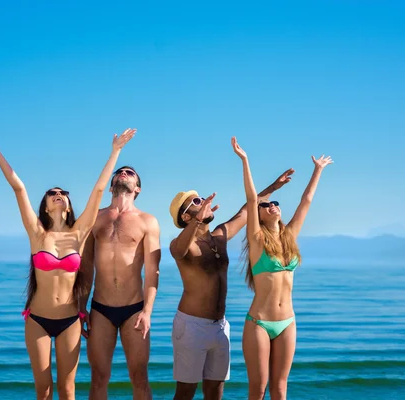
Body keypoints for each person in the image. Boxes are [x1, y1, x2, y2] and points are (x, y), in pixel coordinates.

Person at [0, 127, 135, 400]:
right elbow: (18, 186)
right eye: (52, 192)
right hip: (37, 320)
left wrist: (116, 151)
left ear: (69, 205)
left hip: (70, 320)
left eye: (63, 192)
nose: (58, 193)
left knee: (67, 389)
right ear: (46, 206)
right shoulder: (37, 233)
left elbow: (97, 190)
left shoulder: (80, 232)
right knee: (43, 390)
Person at [168, 167, 294, 400]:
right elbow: (178, 251)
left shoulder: (219, 236)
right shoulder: (182, 243)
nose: (203, 201)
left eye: (201, 198)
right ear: (186, 216)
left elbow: (246, 211)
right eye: (196, 201)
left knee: (215, 391)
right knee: (185, 392)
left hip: (219, 326)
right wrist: (196, 222)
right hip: (191, 326)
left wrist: (274, 187)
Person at [231, 136, 333, 400]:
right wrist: (245, 160)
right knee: (259, 388)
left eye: (275, 203)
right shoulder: (257, 241)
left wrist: (317, 170)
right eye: (267, 205)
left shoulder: (290, 237)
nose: (272, 205)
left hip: (288, 321)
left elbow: (306, 201)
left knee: (280, 388)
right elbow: (252, 199)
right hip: (259, 323)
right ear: (260, 215)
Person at [79, 165, 161, 400]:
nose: (124, 173)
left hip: (134, 310)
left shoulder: (148, 221)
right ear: (111, 183)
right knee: (98, 379)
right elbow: (86, 267)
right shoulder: (95, 218)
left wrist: (147, 312)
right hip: (100, 309)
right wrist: (81, 307)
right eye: (120, 171)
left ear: (138, 188)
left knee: (139, 377)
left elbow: (153, 271)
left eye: (131, 172)